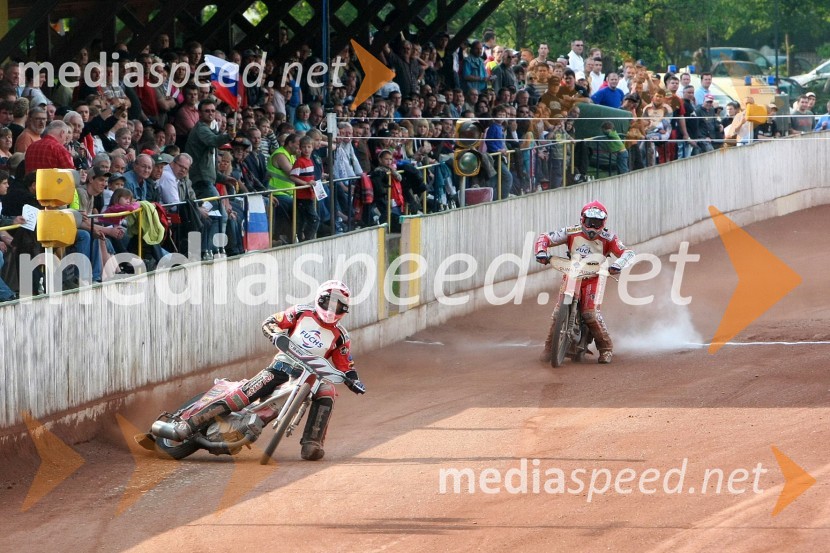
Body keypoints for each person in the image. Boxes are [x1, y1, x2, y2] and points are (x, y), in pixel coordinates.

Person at [166, 279, 366, 461]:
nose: (332, 309)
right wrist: (275, 334)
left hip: (309, 380)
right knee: (245, 394)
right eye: (329, 302)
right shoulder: (300, 312)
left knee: (327, 391)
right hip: (281, 367)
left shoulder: (341, 336)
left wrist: (354, 380)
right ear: (318, 299)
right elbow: (270, 322)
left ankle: (312, 444)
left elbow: (345, 365)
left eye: (338, 306)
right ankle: (189, 424)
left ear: (345, 309)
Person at [534, 201, 636, 364]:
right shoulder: (570, 232)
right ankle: (549, 347)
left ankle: (606, 348)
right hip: (572, 273)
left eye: (597, 223)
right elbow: (545, 237)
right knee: (557, 313)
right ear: (583, 220)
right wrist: (541, 251)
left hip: (595, 277)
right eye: (590, 222)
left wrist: (618, 265)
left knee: (590, 313)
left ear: (604, 223)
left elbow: (628, 253)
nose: (593, 227)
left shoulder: (609, 238)